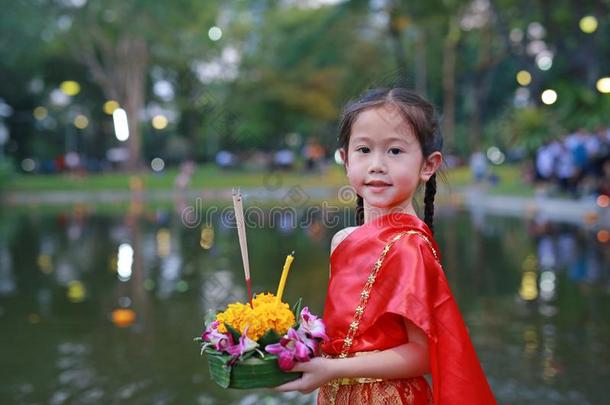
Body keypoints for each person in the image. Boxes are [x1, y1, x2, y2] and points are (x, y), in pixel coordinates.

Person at [276, 88, 496, 404]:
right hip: (336, 394)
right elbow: (346, 335)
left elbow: (421, 355)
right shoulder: (341, 240)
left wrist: (333, 370)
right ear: (345, 158)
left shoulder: (410, 247)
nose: (377, 164)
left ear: (428, 165)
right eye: (364, 150)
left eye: (394, 151)